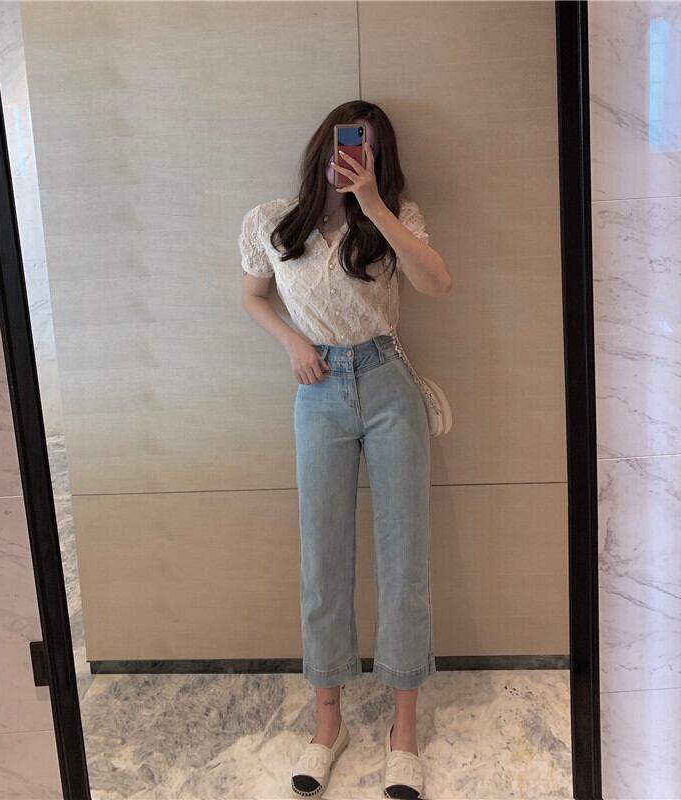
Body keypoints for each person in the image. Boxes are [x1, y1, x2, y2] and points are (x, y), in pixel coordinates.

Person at [238, 100, 451, 799]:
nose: (353, 155)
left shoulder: (394, 217)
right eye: (345, 143)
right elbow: (252, 296)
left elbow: (437, 283)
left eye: (367, 147)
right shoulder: (275, 220)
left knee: (404, 556)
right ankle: (328, 722)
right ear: (322, 146)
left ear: (380, 157)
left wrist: (374, 204)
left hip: (389, 384)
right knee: (323, 556)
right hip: (318, 388)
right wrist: (293, 343)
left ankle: (403, 730)